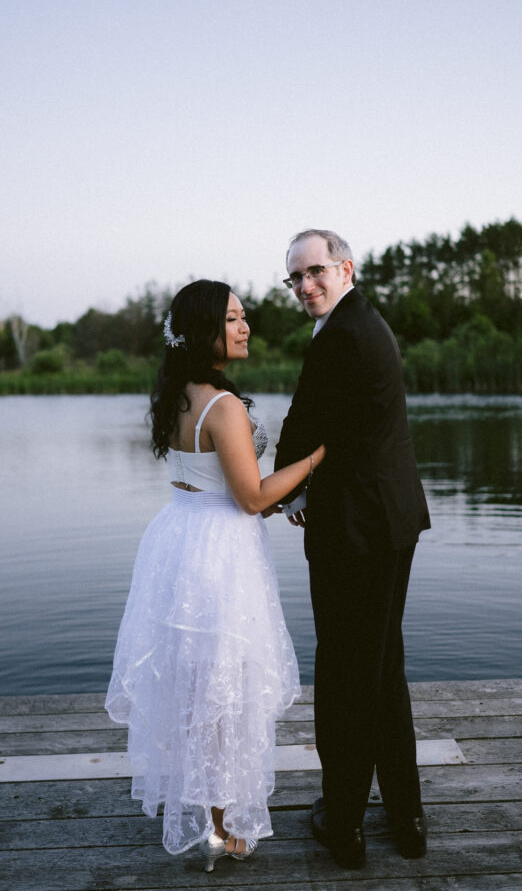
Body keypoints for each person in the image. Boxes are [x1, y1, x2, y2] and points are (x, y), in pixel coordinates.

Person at [105, 279, 325, 871]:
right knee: (224, 690)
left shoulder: (180, 394)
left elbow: (223, 486)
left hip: (181, 536)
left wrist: (283, 494)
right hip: (219, 553)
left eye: (243, 315)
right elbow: (251, 497)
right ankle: (224, 825)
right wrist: (315, 459)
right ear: (204, 331)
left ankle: (209, 814)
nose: (245, 326)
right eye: (232, 318)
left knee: (198, 685)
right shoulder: (222, 406)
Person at [274, 229, 431, 869]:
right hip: (389, 519)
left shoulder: (340, 335)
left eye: (315, 272)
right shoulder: (369, 324)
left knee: (343, 675)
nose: (305, 287)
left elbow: (305, 424)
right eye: (294, 279)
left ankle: (343, 826)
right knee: (381, 667)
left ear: (346, 268)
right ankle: (407, 818)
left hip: (356, 531)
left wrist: (283, 493)